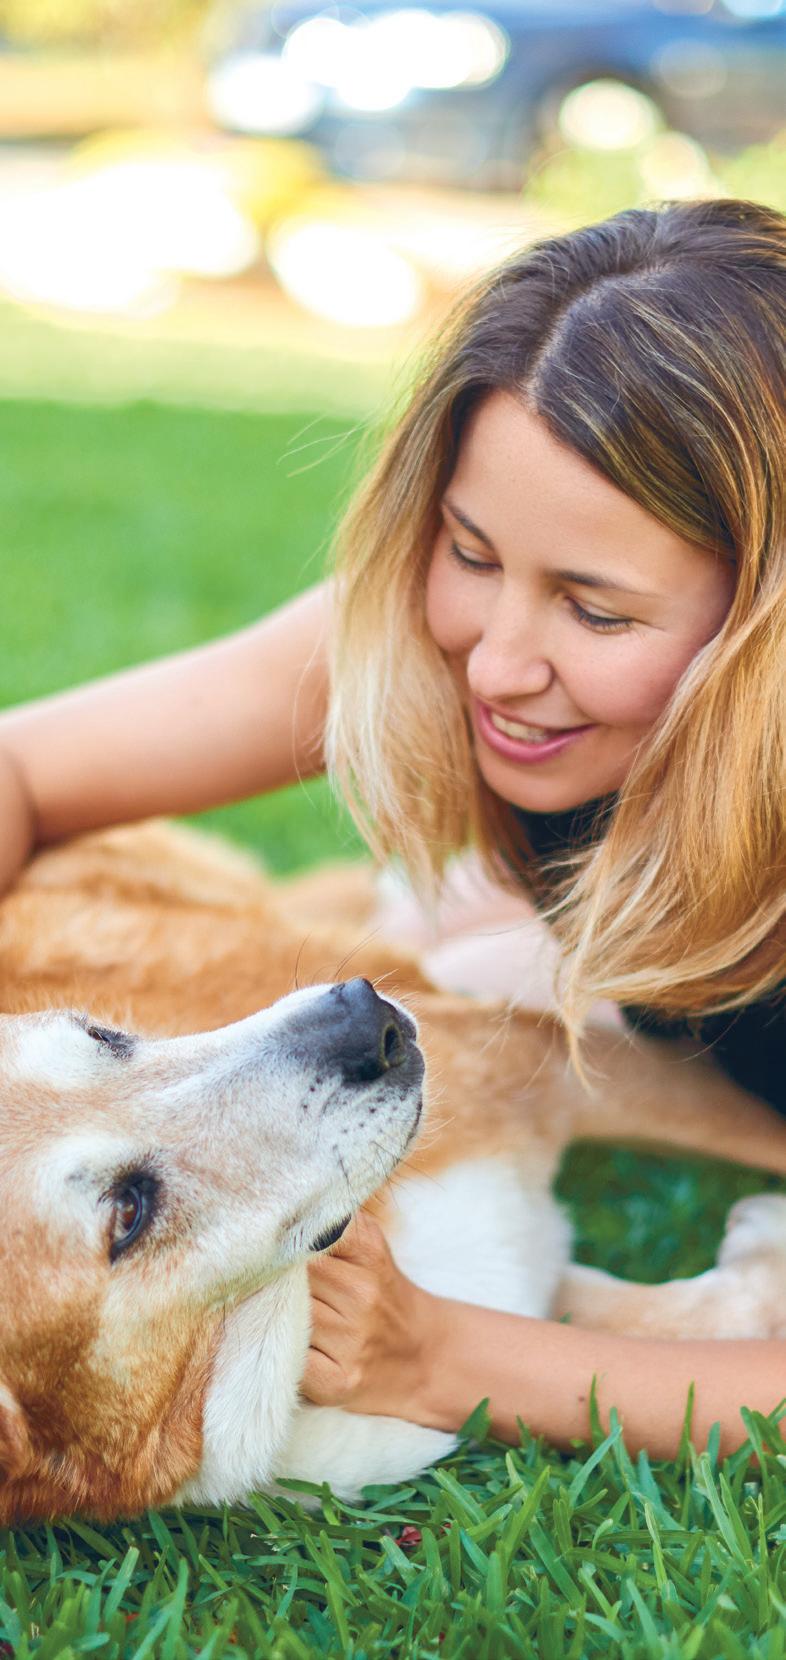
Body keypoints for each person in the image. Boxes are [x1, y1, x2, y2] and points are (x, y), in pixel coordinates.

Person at [1, 197, 785, 1458]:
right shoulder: (437, 627)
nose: (497, 664)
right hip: (688, 966)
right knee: (474, 949)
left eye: (596, 611)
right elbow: (22, 767)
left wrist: (443, 1358)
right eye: (470, 550)